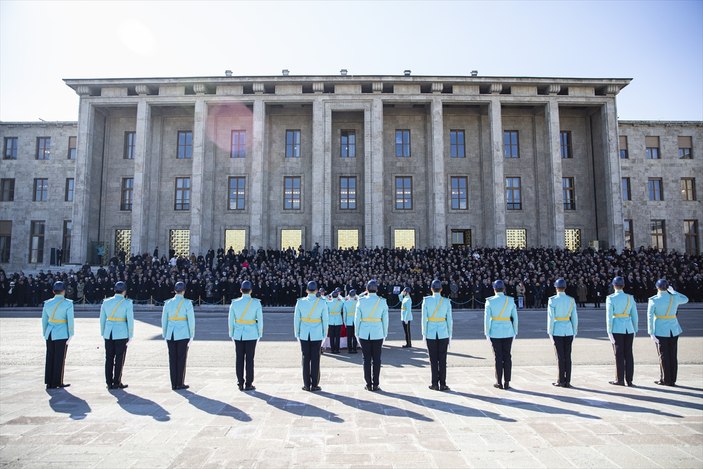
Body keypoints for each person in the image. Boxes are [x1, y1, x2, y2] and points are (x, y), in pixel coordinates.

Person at [647, 279, 689, 386]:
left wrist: (651, 332)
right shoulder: (674, 297)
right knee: (673, 355)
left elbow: (650, 317)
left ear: (657, 287)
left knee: (663, 356)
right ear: (667, 287)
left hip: (661, 330)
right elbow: (686, 299)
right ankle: (673, 379)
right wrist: (674, 291)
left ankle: (665, 379)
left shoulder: (654, 300)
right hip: (674, 329)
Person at [294, 281, 328, 391]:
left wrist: (297, 334)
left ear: (306, 290)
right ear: (317, 291)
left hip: (304, 334)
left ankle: (306, 384)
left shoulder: (300, 302)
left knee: (305, 359)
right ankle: (314, 384)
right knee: (315, 359)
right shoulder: (322, 302)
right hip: (317, 334)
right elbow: (325, 321)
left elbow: (296, 320)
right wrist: (324, 335)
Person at [228, 280, 263, 391]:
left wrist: (231, 334)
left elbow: (230, 320)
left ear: (240, 290)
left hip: (238, 334)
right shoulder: (256, 303)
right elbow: (260, 321)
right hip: (252, 334)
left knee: (239, 359)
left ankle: (240, 382)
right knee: (249, 359)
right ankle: (248, 383)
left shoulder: (235, 303)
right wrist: (259, 334)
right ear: (251, 291)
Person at [354, 279, 389, 391]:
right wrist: (384, 334)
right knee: (377, 359)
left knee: (366, 359)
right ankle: (376, 384)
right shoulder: (382, 301)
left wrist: (357, 333)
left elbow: (357, 319)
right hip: (378, 332)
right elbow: (385, 320)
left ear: (366, 289)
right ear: (377, 289)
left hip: (364, 333)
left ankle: (368, 383)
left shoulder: (361, 301)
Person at [99, 281, 134, 390]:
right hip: (121, 333)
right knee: (119, 358)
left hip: (109, 333)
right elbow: (130, 320)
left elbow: (102, 319)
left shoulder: (106, 302)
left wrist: (103, 332)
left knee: (109, 358)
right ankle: (117, 381)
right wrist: (130, 334)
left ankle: (109, 382)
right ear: (124, 291)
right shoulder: (127, 303)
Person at [484, 279, 518, 390]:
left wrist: (487, 333)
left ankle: (499, 381)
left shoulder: (490, 301)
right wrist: (515, 331)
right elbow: (515, 318)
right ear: (504, 289)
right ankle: (507, 381)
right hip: (508, 331)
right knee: (507, 356)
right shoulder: (510, 300)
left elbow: (486, 319)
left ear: (494, 289)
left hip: (495, 332)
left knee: (498, 357)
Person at [162, 281, 195, 390]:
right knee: (181, 358)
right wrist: (192, 335)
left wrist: (165, 334)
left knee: (172, 359)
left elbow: (164, 320)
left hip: (170, 334)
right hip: (183, 333)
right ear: (184, 291)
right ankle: (180, 382)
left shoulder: (168, 303)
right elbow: (191, 321)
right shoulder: (187, 303)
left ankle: (173, 383)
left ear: (175, 291)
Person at [606, 276, 638, 387]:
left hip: (617, 328)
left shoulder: (611, 298)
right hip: (629, 328)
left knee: (619, 355)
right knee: (628, 354)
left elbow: (609, 317)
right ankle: (629, 380)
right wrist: (635, 329)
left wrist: (609, 331)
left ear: (614, 286)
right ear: (623, 285)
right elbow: (635, 315)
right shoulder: (630, 297)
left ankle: (620, 379)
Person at [42, 281, 74, 389]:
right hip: (61, 333)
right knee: (59, 358)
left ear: (53, 291)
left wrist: (45, 333)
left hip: (50, 332)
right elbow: (70, 321)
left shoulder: (47, 303)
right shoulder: (68, 303)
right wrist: (71, 334)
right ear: (64, 291)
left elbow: (44, 321)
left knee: (50, 357)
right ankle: (57, 381)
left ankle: (49, 381)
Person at [422, 279, 453, 391]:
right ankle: (443, 383)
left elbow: (424, 319)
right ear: (441, 289)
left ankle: (434, 383)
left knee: (433, 359)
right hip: (443, 332)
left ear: (431, 289)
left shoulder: (427, 301)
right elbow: (449, 320)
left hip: (430, 332)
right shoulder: (446, 301)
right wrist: (450, 334)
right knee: (443, 359)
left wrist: (424, 333)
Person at [547, 278, 578, 388]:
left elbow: (551, 318)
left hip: (557, 330)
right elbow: (574, 317)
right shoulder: (571, 300)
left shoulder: (553, 300)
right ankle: (568, 380)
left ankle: (560, 380)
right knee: (568, 356)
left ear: (556, 288)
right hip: (568, 329)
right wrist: (574, 331)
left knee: (560, 356)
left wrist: (549, 332)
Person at [327, 289, 344, 354]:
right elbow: (343, 300)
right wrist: (339, 295)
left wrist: (331, 294)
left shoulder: (328, 302)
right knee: (337, 336)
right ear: (337, 296)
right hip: (338, 320)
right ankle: (337, 349)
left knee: (331, 336)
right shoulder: (340, 302)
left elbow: (325, 298)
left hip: (330, 321)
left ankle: (332, 349)